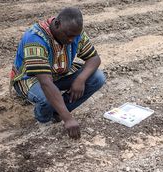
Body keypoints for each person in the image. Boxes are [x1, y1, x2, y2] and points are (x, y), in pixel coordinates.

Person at [10, 7, 106, 139]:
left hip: (59, 73)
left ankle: (57, 113)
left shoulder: (74, 33)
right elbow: (45, 83)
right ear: (57, 24)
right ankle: (43, 119)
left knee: (97, 77)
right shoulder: (35, 37)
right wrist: (68, 119)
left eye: (75, 36)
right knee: (46, 97)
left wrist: (80, 80)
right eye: (68, 35)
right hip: (32, 79)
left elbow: (94, 58)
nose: (72, 40)